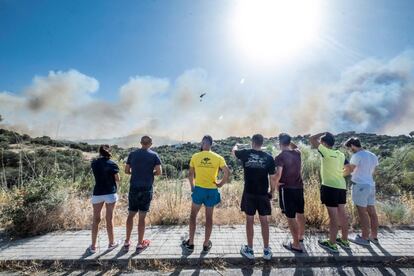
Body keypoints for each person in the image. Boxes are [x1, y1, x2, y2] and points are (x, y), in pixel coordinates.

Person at [182, 135, 230, 253]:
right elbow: (227, 172)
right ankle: (205, 243)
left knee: (193, 216)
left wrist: (193, 187)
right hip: (212, 190)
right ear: (211, 144)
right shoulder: (218, 157)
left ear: (202, 144)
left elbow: (190, 175)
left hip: (199, 190)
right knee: (209, 217)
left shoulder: (195, 156)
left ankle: (191, 243)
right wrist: (220, 184)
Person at [232, 134, 276, 260]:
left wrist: (236, 145)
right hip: (263, 193)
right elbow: (273, 178)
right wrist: (272, 192)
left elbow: (234, 152)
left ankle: (250, 250)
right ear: (262, 143)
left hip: (249, 193)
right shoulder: (268, 157)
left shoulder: (245, 153)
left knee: (249, 220)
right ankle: (267, 251)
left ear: (252, 142)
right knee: (264, 221)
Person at [309, 132, 350, 253]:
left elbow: (311, 139)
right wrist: (339, 175)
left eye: (321, 142)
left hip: (329, 187)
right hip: (341, 186)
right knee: (342, 214)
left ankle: (332, 243)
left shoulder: (325, 151)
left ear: (325, 143)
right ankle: (344, 240)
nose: (320, 144)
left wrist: (323, 132)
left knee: (333, 217)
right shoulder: (340, 154)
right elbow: (349, 168)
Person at [124, 135, 162, 251]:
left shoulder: (132, 154)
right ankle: (140, 243)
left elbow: (126, 170)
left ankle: (127, 241)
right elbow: (159, 172)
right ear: (150, 144)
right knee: (142, 217)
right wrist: (150, 174)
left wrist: (136, 173)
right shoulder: (154, 155)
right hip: (146, 188)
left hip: (134, 187)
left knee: (131, 214)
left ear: (141, 143)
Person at [345, 137, 379, 246]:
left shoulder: (357, 156)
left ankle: (364, 238)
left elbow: (350, 169)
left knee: (362, 212)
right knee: (372, 213)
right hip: (370, 185)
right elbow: (375, 171)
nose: (350, 150)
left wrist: (337, 175)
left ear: (352, 146)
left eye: (349, 148)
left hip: (360, 186)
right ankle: (373, 237)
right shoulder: (372, 155)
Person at [274, 133, 305, 253]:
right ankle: (300, 236)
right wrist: (288, 141)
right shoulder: (297, 153)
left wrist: (276, 184)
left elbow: (278, 174)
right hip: (299, 188)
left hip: (287, 189)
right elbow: (296, 146)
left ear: (280, 143)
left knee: (290, 216)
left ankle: (296, 244)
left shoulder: (280, 157)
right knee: (300, 213)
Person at [88, 145, 120, 254]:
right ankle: (111, 243)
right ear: (109, 152)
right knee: (109, 219)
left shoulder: (94, 163)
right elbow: (118, 179)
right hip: (110, 193)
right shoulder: (112, 164)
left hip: (97, 193)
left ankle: (93, 246)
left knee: (96, 219)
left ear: (99, 152)